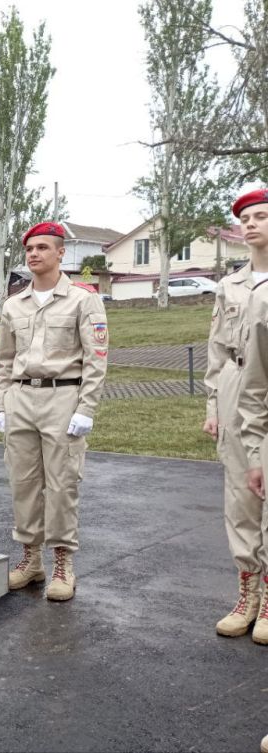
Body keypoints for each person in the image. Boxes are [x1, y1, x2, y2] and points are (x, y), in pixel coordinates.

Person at [0, 223, 108, 600]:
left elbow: (96, 358)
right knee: (23, 484)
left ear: (61, 253)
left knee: (61, 484)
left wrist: (86, 407)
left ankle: (62, 562)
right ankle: (30, 560)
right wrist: (3, 404)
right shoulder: (14, 304)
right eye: (29, 248)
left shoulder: (82, 299)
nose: (34, 254)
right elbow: (4, 360)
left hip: (64, 397)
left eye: (42, 247)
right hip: (22, 398)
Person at [231, 189, 268, 643]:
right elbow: (221, 352)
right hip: (241, 393)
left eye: (262, 216)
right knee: (241, 499)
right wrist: (212, 405)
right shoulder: (233, 285)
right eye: (247, 217)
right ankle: (247, 593)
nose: (252, 224)